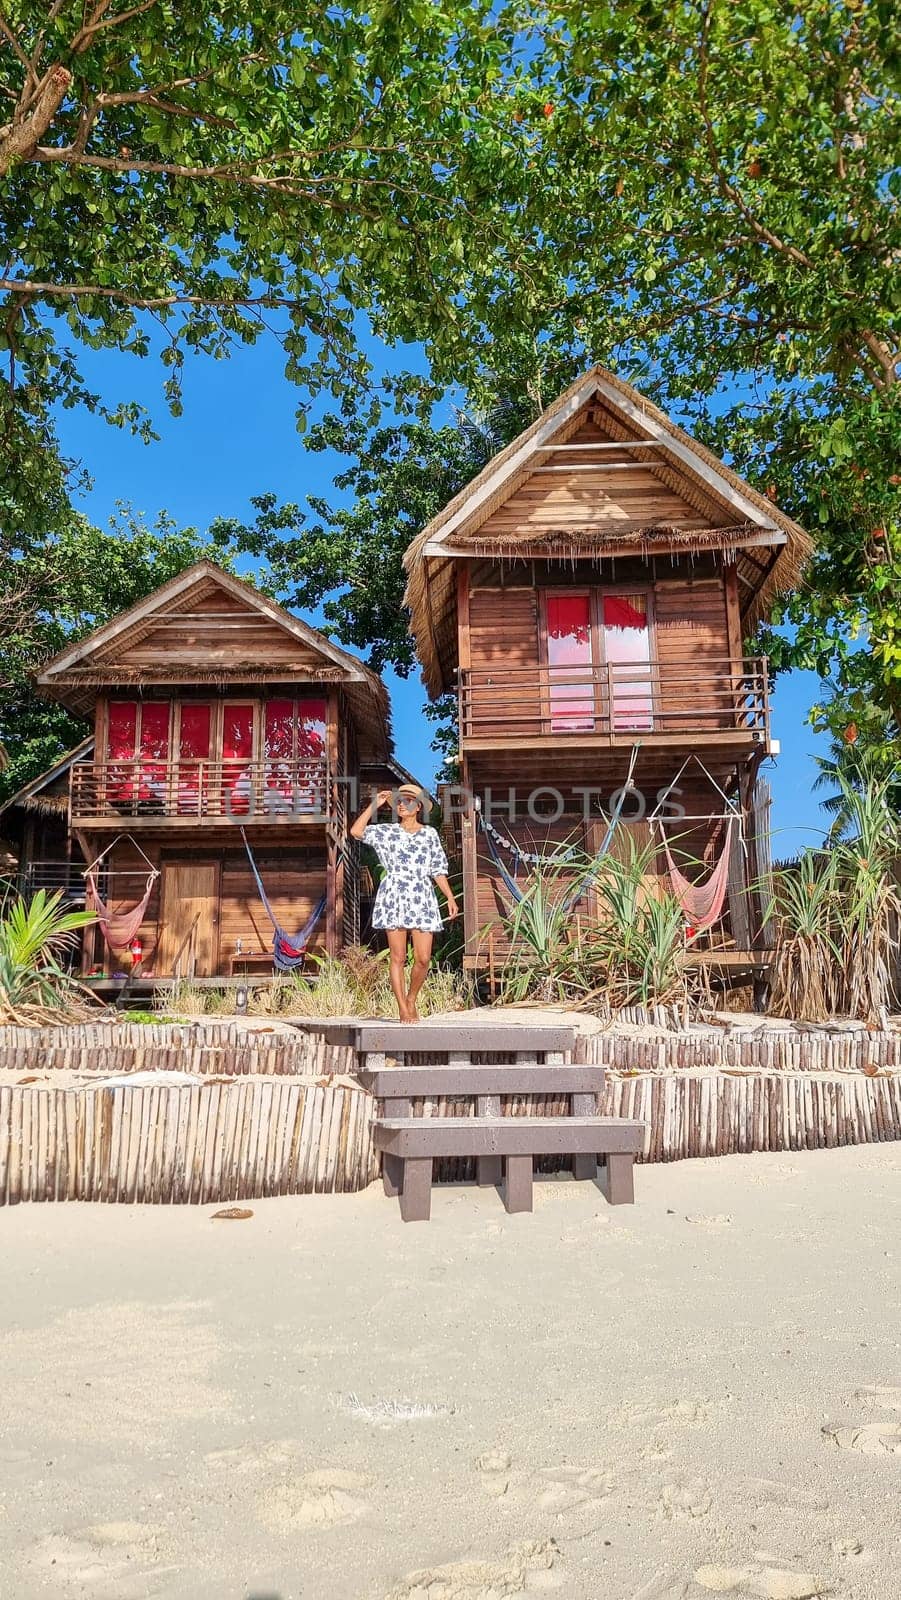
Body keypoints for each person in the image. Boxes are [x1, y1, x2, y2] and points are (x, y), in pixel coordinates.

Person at [351, 784, 459, 1022]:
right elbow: (356, 831)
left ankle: (411, 998)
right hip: (394, 894)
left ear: (418, 807)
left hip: (422, 895)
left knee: (423, 958)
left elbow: (438, 870)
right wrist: (374, 805)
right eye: (399, 801)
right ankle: (402, 1006)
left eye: (408, 801)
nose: (402, 804)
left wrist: (450, 897)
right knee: (398, 957)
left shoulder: (429, 834)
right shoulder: (387, 832)